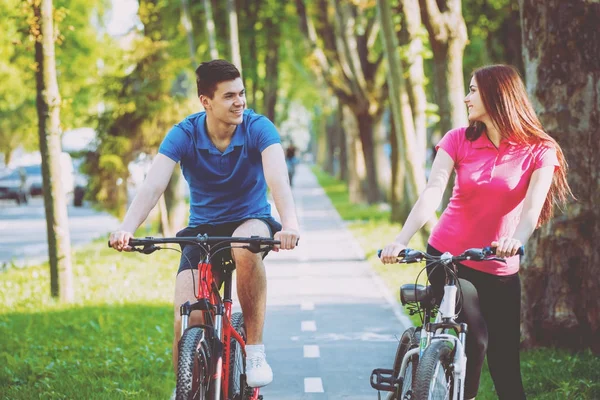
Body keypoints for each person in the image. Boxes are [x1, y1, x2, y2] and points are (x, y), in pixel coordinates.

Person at [380, 64, 572, 400]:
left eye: (473, 90)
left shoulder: (541, 150)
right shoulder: (458, 140)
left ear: (497, 94)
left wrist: (517, 241)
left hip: (498, 265)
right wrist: (401, 239)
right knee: (477, 338)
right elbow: (432, 193)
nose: (467, 97)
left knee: (506, 367)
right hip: (448, 257)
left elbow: (531, 210)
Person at [108, 59, 300, 389]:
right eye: (229, 96)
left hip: (250, 221)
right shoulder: (184, 133)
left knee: (245, 243)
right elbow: (154, 184)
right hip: (202, 230)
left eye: (241, 93)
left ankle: (254, 350)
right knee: (187, 319)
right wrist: (128, 227)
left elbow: (277, 177)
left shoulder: (258, 127)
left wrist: (290, 223)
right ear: (206, 102)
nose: (239, 101)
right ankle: (187, 389)